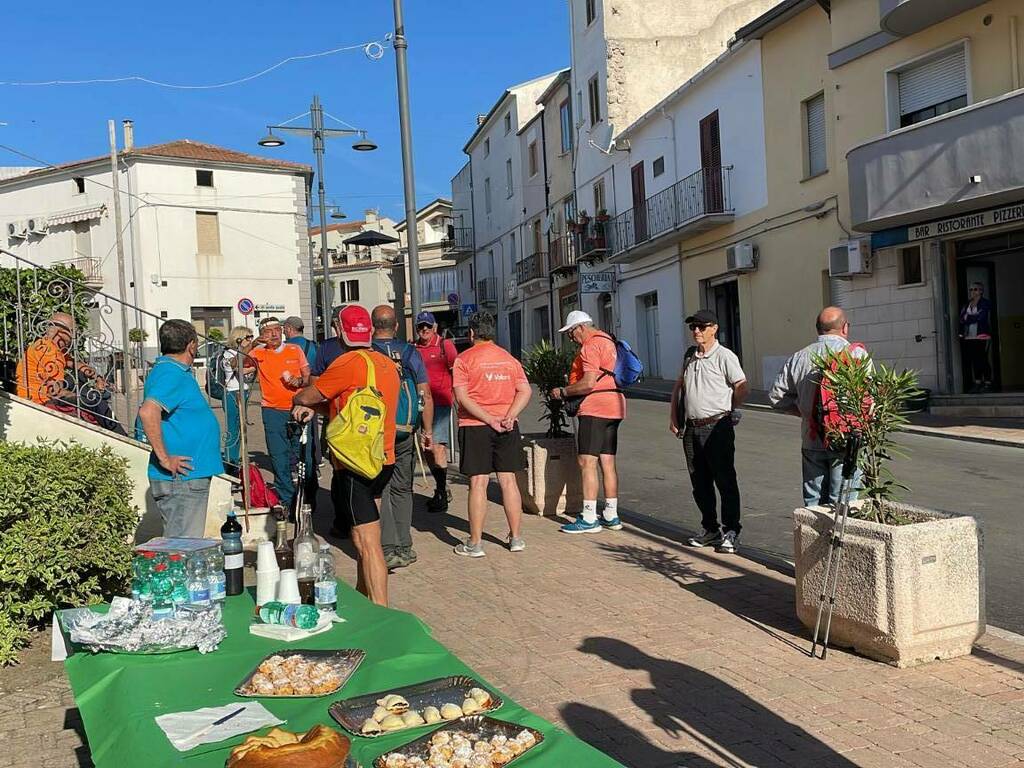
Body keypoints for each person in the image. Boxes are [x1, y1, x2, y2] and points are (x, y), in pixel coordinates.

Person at [291, 305, 399, 607]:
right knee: (361, 535)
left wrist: (301, 399)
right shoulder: (386, 364)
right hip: (383, 458)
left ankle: (381, 612)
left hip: (354, 463)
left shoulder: (346, 363)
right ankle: (365, 599)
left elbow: (309, 395)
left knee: (368, 543)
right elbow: (348, 406)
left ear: (339, 330)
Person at [769, 306, 869, 508]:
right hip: (847, 439)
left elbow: (776, 397)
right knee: (843, 504)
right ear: (845, 328)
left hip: (812, 437)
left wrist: (806, 414)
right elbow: (871, 397)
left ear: (818, 329)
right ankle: (838, 539)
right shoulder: (856, 355)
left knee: (813, 502)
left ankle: (813, 538)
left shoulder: (800, 357)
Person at [451, 311, 532, 557]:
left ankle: (475, 543)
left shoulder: (463, 360)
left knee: (478, 483)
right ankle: (516, 538)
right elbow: (525, 390)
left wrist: (488, 419)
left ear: (472, 333)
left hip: (475, 426)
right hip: (507, 425)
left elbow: (462, 397)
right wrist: (509, 415)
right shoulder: (509, 359)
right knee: (508, 481)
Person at [671, 309, 748, 554]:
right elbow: (679, 387)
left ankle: (731, 530)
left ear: (714, 328)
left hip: (717, 426)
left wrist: (731, 409)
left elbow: (741, 386)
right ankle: (710, 528)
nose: (696, 331)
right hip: (692, 428)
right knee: (699, 482)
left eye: (701, 327)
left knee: (725, 480)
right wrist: (674, 416)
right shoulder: (689, 356)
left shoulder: (725, 356)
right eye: (693, 327)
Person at [136, 320, 224, 537]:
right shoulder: (171, 373)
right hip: (182, 479)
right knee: (182, 548)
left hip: (186, 477)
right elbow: (148, 412)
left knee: (183, 545)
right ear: (191, 345)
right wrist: (165, 459)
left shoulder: (170, 371)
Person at [549, 310, 626, 534]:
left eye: (571, 333)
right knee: (608, 463)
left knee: (587, 462)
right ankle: (611, 514)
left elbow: (588, 383)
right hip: (615, 405)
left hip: (595, 408)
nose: (571, 338)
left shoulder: (590, 346)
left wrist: (563, 391)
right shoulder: (608, 340)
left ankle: (590, 517)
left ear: (581, 327)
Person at [371, 305, 434, 570]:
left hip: (375, 431)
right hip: (404, 429)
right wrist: (427, 430)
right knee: (402, 487)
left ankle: (386, 548)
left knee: (381, 488)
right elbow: (425, 395)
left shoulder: (366, 353)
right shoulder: (408, 352)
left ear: (374, 326)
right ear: (396, 326)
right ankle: (405, 546)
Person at [239, 317, 310, 515]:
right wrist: (251, 344)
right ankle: (286, 498)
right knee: (279, 455)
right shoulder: (258, 352)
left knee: (301, 454)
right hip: (271, 410)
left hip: (298, 407)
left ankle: (305, 497)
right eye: (269, 331)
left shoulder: (294, 350)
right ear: (262, 334)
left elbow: (307, 376)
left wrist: (300, 381)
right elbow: (237, 364)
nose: (274, 334)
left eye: (277, 330)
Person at [16, 311, 124, 434]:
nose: (74, 337)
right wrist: (81, 397)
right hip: (39, 400)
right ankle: (121, 435)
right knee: (94, 400)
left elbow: (76, 364)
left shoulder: (50, 347)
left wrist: (98, 377)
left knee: (86, 390)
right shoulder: (48, 351)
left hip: (45, 395)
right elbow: (55, 391)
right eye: (72, 332)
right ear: (61, 333)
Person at [415, 311, 459, 514]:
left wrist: (459, 400)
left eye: (427, 326)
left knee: (437, 448)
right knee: (426, 450)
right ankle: (442, 487)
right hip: (421, 405)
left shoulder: (445, 346)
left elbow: (456, 373)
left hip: (440, 404)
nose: (424, 329)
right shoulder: (413, 349)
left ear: (434, 328)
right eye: (420, 326)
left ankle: (441, 492)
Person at [221, 325, 255, 470]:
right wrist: (254, 367)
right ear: (239, 338)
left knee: (241, 429)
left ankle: (235, 459)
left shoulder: (245, 354)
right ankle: (230, 461)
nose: (251, 340)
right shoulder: (229, 354)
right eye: (249, 337)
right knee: (233, 429)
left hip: (243, 392)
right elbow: (237, 369)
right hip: (233, 392)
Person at [959, 283, 994, 393]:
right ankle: (978, 382)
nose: (972, 291)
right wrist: (970, 318)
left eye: (975, 289)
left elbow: (981, 318)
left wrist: (968, 318)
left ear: (981, 291)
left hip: (982, 335)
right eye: (971, 289)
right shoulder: (967, 303)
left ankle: (988, 383)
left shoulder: (985, 303)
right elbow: (961, 319)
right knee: (974, 360)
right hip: (969, 336)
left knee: (982, 359)